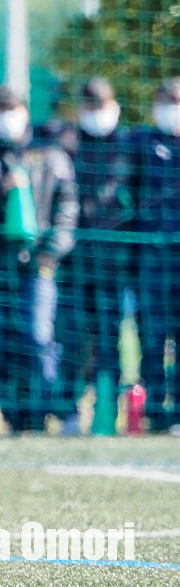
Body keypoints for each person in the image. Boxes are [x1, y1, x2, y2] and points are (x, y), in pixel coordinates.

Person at [0, 85, 78, 433]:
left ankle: (47, 409)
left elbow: (68, 207)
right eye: (0, 110)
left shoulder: (51, 157)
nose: (7, 117)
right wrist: (1, 192)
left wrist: (52, 251)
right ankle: (13, 413)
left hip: (37, 266)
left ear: (26, 112)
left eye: (13, 109)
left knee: (38, 337)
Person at [54, 78, 138, 434]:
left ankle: (107, 413)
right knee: (70, 338)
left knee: (108, 341)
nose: (95, 112)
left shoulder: (131, 147)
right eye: (88, 105)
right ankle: (70, 412)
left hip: (115, 265)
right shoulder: (67, 147)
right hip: (74, 265)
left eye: (100, 104)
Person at [136, 78, 180, 433]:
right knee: (151, 337)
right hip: (153, 257)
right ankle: (154, 410)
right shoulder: (140, 143)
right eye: (166, 100)